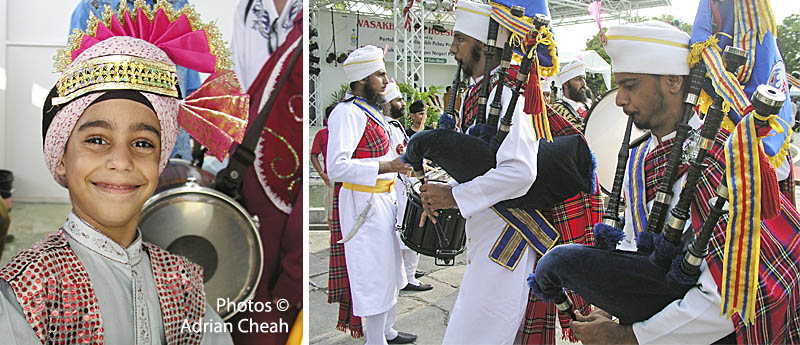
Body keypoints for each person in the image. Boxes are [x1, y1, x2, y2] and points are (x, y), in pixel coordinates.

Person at [533, 20, 800, 344]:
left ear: (673, 81)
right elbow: (637, 252)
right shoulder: (641, 155)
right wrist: (615, 307)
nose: (619, 100)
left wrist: (630, 336)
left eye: (630, 86)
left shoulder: (720, 158)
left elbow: (726, 300)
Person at [0, 2, 235, 343]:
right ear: (62, 157)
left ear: (161, 158)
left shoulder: (186, 283)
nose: (121, 161)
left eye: (142, 143)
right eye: (97, 140)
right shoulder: (25, 293)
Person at [417, 1, 539, 343]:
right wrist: (445, 189)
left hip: (508, 237)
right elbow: (482, 163)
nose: (453, 49)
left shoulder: (503, 93)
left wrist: (454, 196)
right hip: (490, 232)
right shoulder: (481, 91)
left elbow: (520, 172)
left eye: (459, 39)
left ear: (483, 46)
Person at [326, 45, 417, 345]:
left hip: (383, 202)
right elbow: (336, 167)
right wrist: (389, 165)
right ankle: (374, 339)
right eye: (379, 74)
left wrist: (404, 165)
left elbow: (388, 156)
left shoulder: (373, 113)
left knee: (390, 270)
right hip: (362, 206)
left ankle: (387, 331)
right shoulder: (346, 113)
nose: (386, 79)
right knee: (374, 274)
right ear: (363, 79)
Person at [228, 1, 304, 343]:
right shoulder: (245, 9)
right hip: (248, 174)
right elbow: (236, 89)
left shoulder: (304, 20)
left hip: (285, 196)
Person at [381, 83, 434, 292]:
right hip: (400, 188)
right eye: (398, 101)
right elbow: (402, 158)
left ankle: (406, 272)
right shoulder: (389, 126)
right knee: (411, 232)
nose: (402, 104)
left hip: (399, 187)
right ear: (387, 104)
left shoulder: (390, 125)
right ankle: (408, 276)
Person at [551, 60, 591, 132]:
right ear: (566, 84)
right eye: (578, 79)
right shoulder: (556, 110)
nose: (584, 83)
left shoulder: (587, 107)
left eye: (584, 79)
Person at [311, 107, 332, 227]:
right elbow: (314, 155)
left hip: (347, 177)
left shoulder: (346, 132)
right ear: (326, 120)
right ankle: (333, 240)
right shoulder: (322, 134)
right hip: (330, 178)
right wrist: (322, 174)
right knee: (330, 213)